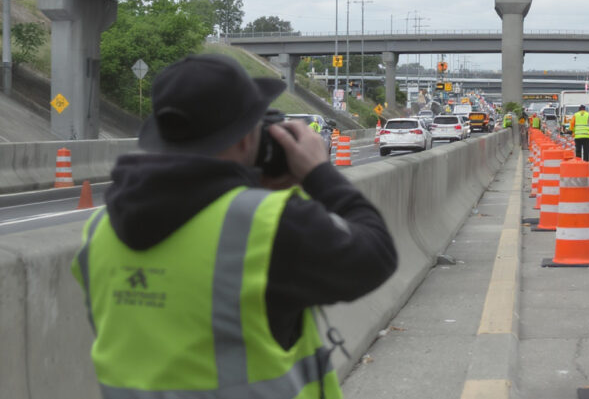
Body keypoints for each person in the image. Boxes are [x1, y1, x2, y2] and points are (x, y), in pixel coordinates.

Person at [71, 54, 397, 399]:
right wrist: (318, 173)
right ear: (245, 140)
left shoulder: (99, 232)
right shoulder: (266, 227)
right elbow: (375, 254)